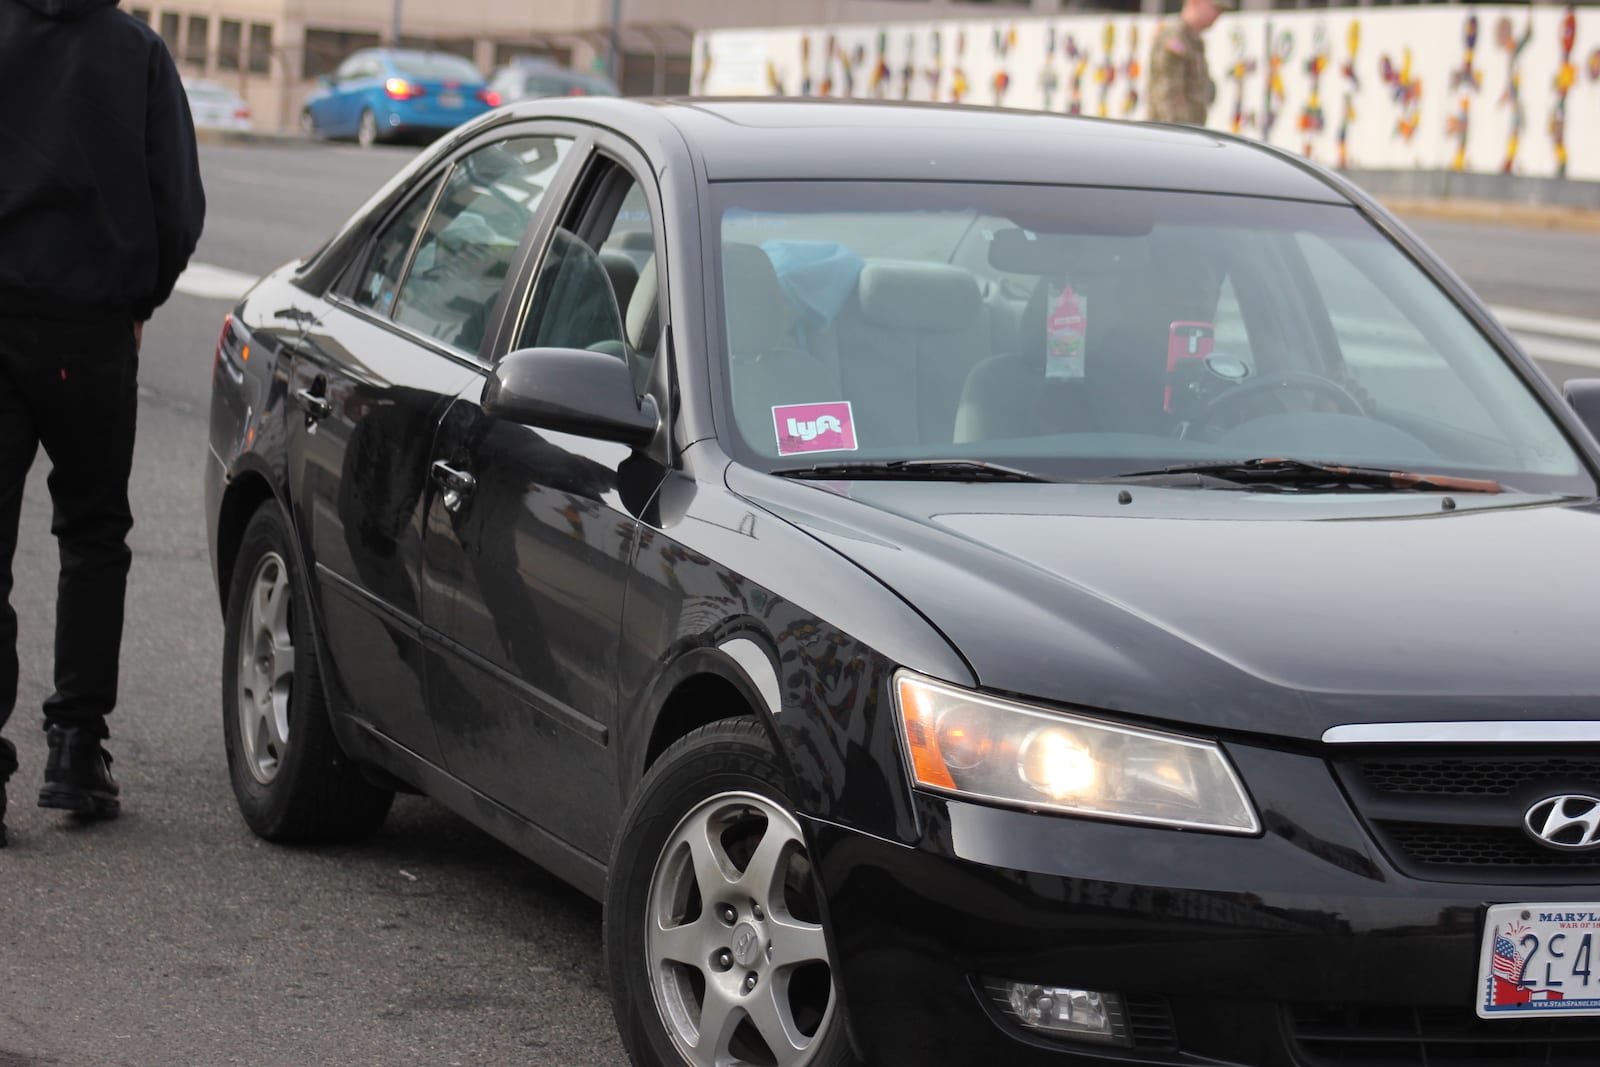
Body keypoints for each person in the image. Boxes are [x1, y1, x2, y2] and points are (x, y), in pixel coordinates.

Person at [0, 0, 205, 845]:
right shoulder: (138, 53)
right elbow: (177, 205)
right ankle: (76, 750)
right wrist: (137, 299)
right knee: (92, 533)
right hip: (91, 329)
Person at [1147, 0, 1233, 126]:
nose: (1218, 15)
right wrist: (1176, 135)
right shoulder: (1175, 38)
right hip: (1173, 134)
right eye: (1215, 8)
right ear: (1195, 2)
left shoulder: (1192, 40)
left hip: (1187, 133)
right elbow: (1166, 95)